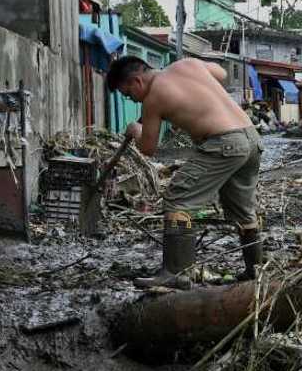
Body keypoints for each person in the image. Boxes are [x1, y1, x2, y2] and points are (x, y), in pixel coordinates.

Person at [106, 55, 264, 289]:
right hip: (250, 138)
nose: (131, 99)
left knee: (177, 200)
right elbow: (221, 72)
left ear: (137, 81)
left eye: (128, 94)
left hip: (224, 143)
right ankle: (256, 272)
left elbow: (147, 149)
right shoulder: (186, 64)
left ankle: (175, 273)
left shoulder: (153, 99)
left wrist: (136, 129)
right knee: (243, 211)